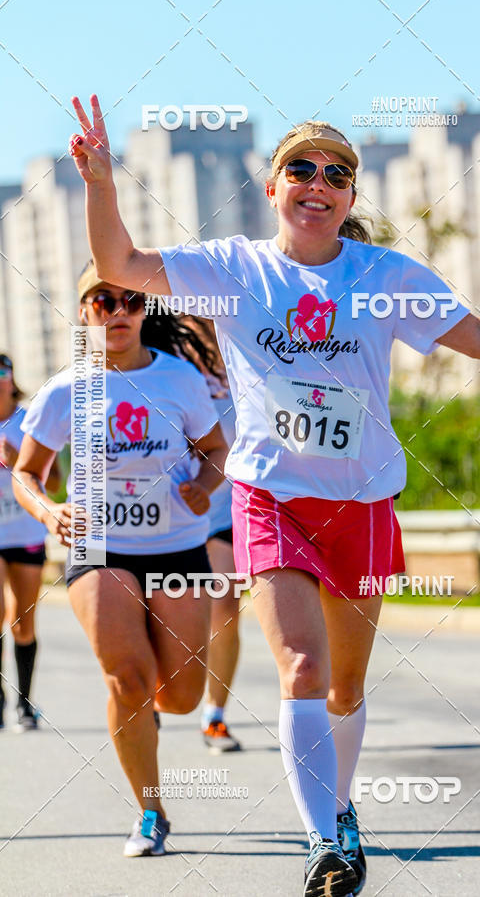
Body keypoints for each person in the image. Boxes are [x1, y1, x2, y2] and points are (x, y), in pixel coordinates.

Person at [68, 94, 480, 896]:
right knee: (303, 667)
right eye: (302, 169)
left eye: (338, 174)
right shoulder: (234, 268)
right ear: (274, 184)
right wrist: (101, 184)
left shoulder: (385, 275)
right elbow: (123, 266)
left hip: (362, 500)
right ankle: (325, 844)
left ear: (351, 197)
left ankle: (341, 809)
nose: (319, 182)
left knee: (346, 686)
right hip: (270, 496)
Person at [12, 264, 228, 857]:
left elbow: (215, 451)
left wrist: (204, 487)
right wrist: (48, 511)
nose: (117, 310)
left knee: (179, 698)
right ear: (84, 312)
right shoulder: (66, 390)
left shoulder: (179, 380)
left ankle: (147, 711)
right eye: (102, 299)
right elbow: (26, 473)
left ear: (142, 310)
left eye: (129, 300)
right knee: (126, 680)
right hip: (97, 546)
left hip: (177, 545)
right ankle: (150, 812)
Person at [180, 317, 243, 754]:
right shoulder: (171, 373)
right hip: (173, 515)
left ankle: (214, 714)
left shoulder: (248, 366)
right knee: (175, 614)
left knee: (225, 605)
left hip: (230, 513)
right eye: (192, 320)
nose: (202, 328)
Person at [0, 354, 61, 732]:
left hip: (25, 535)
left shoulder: (29, 422)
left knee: (23, 622)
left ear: (12, 378)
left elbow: (54, 484)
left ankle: (24, 702)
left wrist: (17, 460)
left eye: (2, 371)